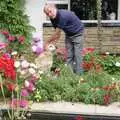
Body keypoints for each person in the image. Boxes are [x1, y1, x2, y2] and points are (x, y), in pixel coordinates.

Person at [44, 4, 84, 75]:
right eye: (47, 14)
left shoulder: (62, 16)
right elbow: (57, 34)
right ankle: (69, 74)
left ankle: (79, 76)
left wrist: (47, 42)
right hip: (69, 34)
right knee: (69, 55)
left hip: (78, 33)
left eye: (50, 11)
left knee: (77, 55)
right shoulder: (53, 18)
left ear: (54, 8)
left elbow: (57, 32)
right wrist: (54, 43)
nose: (49, 14)